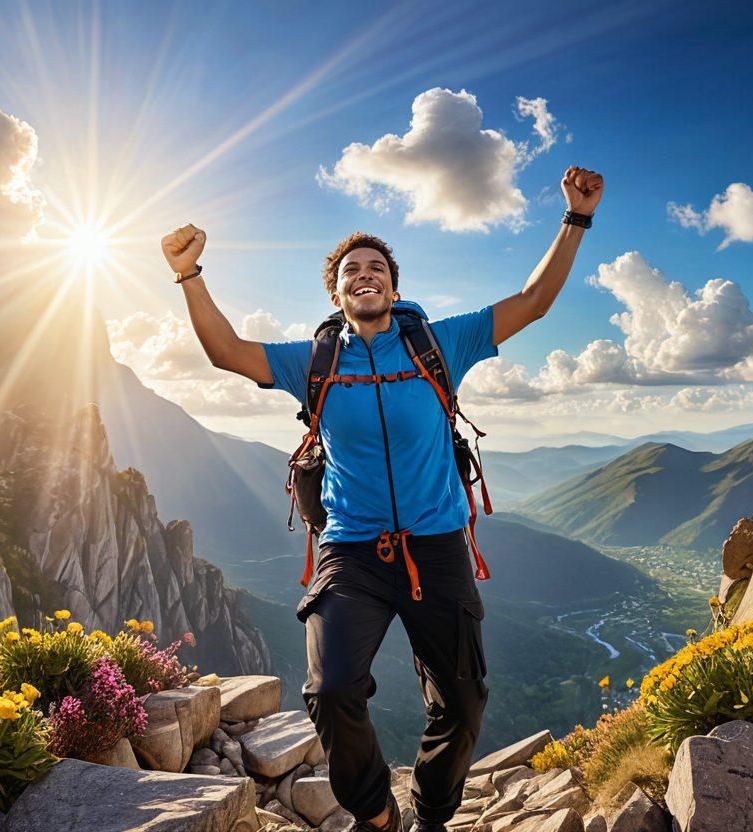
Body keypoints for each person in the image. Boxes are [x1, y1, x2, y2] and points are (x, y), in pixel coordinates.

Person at [161, 165, 604, 832]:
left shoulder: (440, 343)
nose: (364, 275)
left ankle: (432, 813)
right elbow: (225, 351)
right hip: (352, 551)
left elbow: (534, 300)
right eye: (351, 271)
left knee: (463, 702)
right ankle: (376, 816)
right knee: (331, 690)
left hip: (437, 547)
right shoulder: (313, 361)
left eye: (377, 268)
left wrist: (575, 218)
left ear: (394, 288)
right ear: (337, 293)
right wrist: (189, 274)